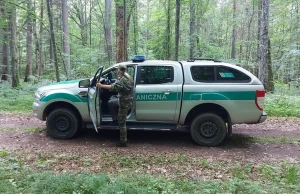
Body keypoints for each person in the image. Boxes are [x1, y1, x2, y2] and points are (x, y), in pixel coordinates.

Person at [96, 64, 133, 147]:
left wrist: (101, 85)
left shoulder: (123, 80)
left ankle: (123, 142)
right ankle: (115, 119)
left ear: (120, 71)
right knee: (111, 103)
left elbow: (113, 87)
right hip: (125, 99)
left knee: (122, 123)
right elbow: (118, 85)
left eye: (117, 69)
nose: (116, 71)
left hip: (124, 102)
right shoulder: (128, 77)